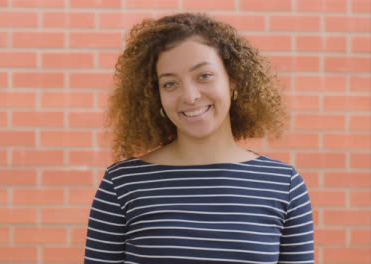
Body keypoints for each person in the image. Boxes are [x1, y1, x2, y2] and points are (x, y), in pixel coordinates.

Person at [84, 13, 314, 264]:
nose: (190, 96)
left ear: (233, 80)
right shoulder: (121, 186)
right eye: (170, 84)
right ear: (155, 96)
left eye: (204, 75)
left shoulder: (284, 186)